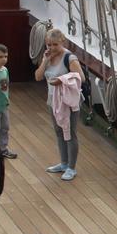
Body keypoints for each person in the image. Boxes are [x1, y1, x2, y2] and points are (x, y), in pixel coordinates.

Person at [37, 29, 85, 180]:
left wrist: (62, 80)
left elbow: (81, 78)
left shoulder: (70, 58)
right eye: (49, 44)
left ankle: (72, 167)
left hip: (68, 101)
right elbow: (38, 76)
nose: (51, 48)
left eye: (55, 44)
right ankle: (64, 162)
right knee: (58, 131)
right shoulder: (48, 56)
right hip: (53, 100)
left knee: (70, 133)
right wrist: (45, 60)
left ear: (62, 42)